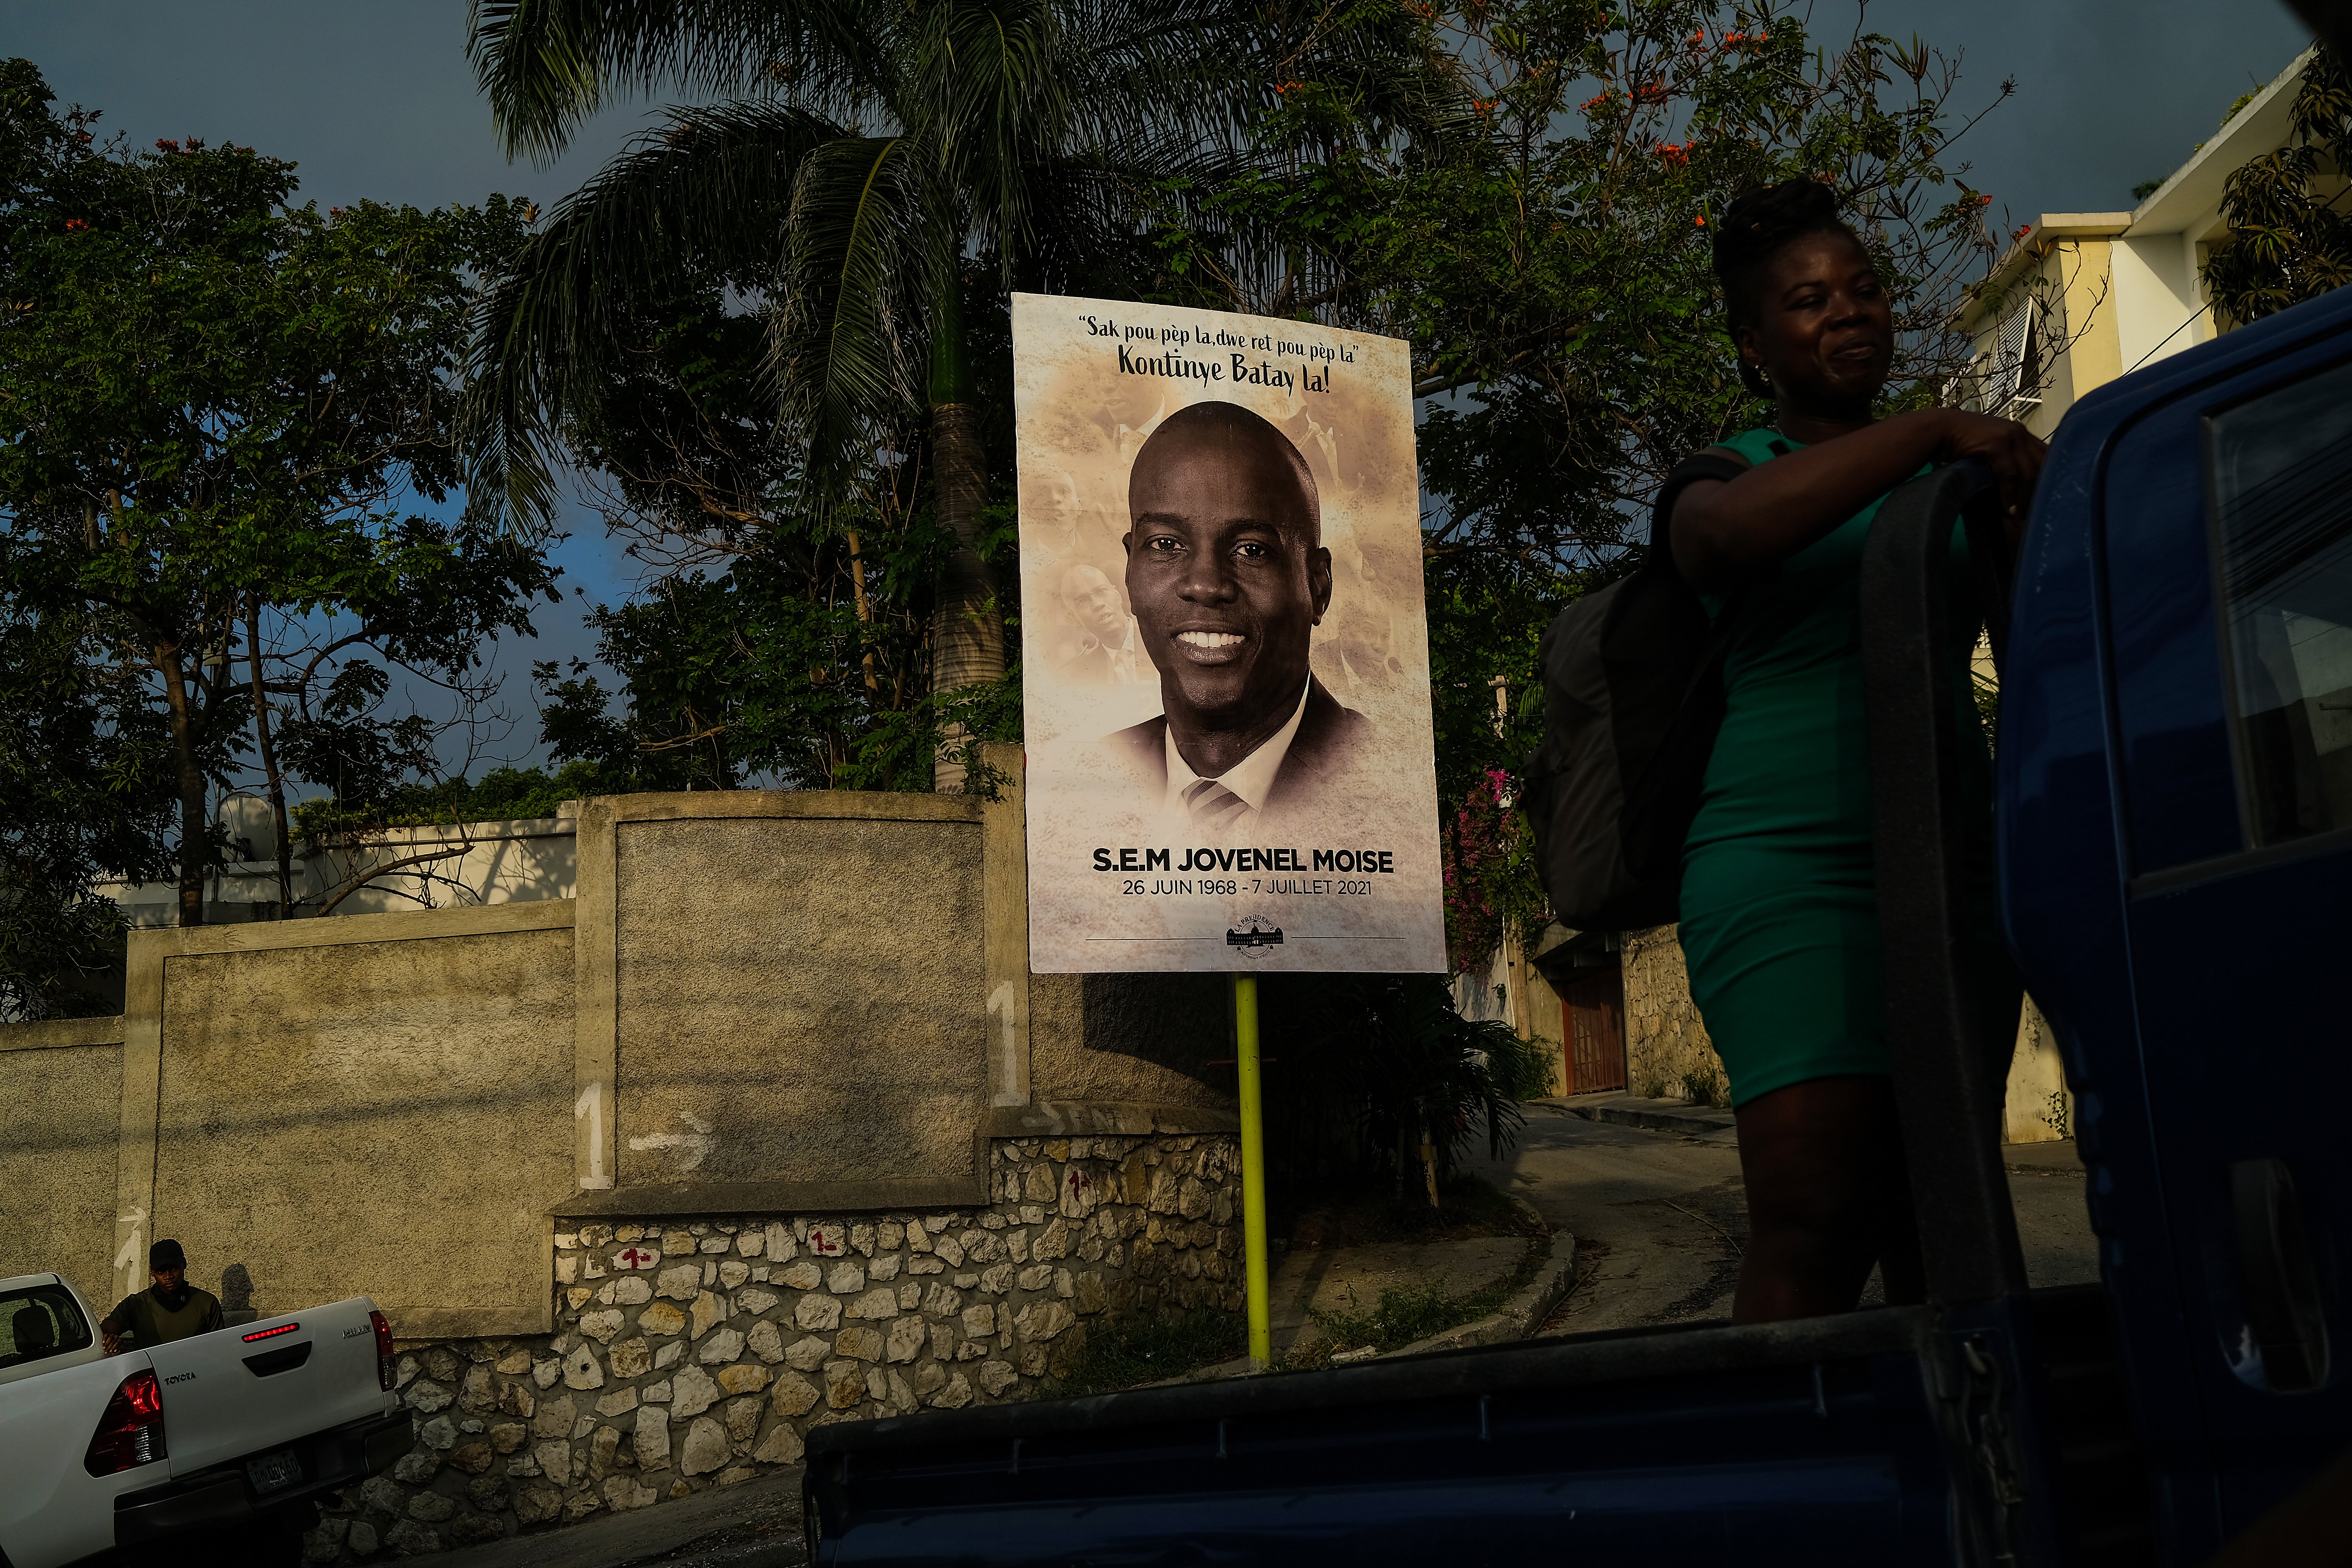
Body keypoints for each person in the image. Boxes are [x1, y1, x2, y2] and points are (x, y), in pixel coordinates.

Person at [1662, 177, 2046, 1324]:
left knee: (1948, 1220)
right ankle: (1792, 1487)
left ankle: (1974, 1484)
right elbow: (1720, 541)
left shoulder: (1963, 480)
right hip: (1785, 870)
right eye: (1806, 301)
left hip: (1949, 867)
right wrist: (1928, 429)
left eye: (1864, 291)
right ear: (1752, 342)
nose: (1847, 313)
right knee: (1813, 1215)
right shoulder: (1724, 472)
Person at [1106, 400, 1373, 833]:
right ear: (1130, 569)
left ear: (1317, 586)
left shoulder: (1380, 771)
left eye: (1251, 549)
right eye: (1166, 545)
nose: (1207, 585)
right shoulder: (1094, 777)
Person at [101, 1239, 225, 1353]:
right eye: (161, 1271)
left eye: (174, 1268)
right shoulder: (137, 1304)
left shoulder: (207, 1303)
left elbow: (220, 1348)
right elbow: (105, 1330)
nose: (169, 1276)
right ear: (152, 1272)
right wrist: (109, 1340)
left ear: (184, 1264)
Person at [1054, 564, 1144, 686]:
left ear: (1118, 595)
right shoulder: (1082, 678)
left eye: (1101, 592)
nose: (1097, 604)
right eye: (1083, 601)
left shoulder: (1161, 640)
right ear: (1075, 619)